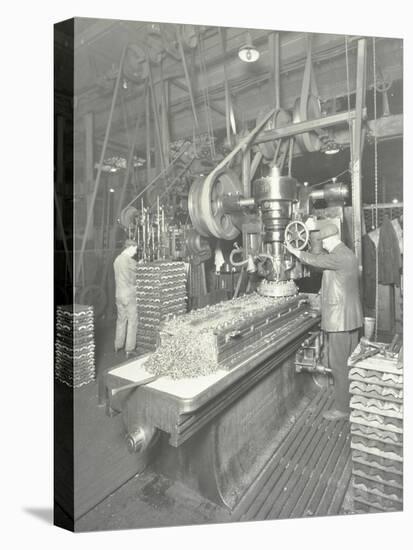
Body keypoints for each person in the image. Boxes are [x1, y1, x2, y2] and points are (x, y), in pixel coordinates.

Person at [285, 223, 363, 421]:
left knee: (338, 365)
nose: (323, 244)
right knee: (348, 363)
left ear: (330, 239)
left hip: (340, 320)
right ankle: (350, 401)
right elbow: (326, 269)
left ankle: (342, 409)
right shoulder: (347, 254)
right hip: (350, 318)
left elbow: (316, 260)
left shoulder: (339, 256)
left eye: (323, 241)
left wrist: (296, 251)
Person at [113, 239, 138, 358]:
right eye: (135, 249)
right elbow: (133, 278)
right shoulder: (129, 261)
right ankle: (129, 349)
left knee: (121, 320)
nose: (136, 251)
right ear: (129, 248)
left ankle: (118, 345)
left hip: (118, 295)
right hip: (129, 295)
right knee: (132, 321)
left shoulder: (117, 260)